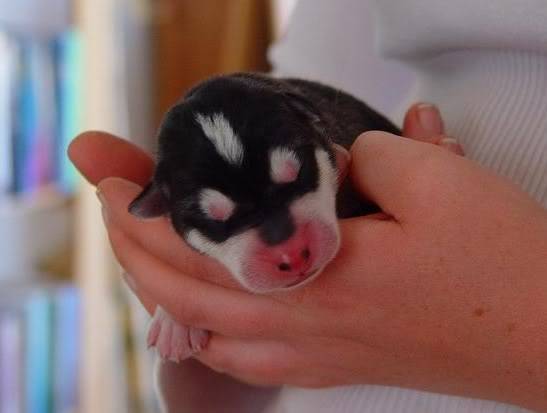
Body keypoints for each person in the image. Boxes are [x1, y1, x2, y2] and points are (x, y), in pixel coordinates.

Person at [69, 0, 547, 412]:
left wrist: (521, 330)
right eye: (222, 224)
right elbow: (310, 80)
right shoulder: (298, 115)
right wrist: (199, 310)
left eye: (296, 179)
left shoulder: (333, 140)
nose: (288, 250)